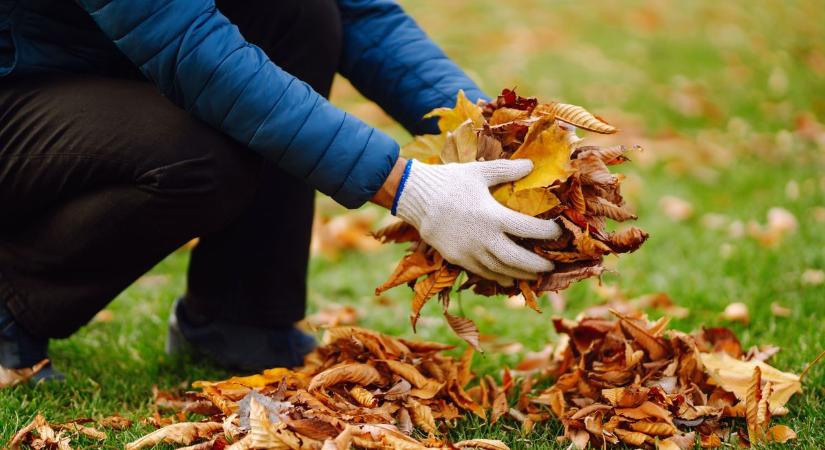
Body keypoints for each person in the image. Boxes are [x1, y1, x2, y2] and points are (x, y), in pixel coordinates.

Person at [0, 0, 561, 380]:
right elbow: (187, 43)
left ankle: (240, 319)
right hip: (19, 93)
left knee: (305, 10)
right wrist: (409, 188)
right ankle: (9, 306)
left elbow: (362, 15)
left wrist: (501, 136)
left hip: (103, 68)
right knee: (198, 158)